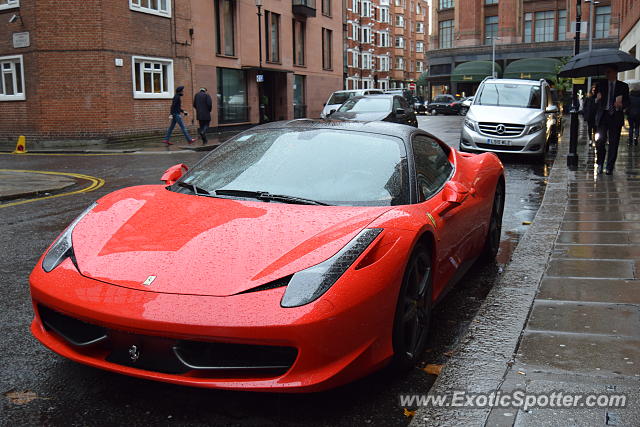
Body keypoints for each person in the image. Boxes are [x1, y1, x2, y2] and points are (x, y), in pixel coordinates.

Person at [595, 65, 630, 175]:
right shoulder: (601, 84)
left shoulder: (623, 86)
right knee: (600, 141)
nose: (607, 74)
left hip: (615, 116)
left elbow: (628, 102)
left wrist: (621, 105)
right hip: (603, 116)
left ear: (615, 73)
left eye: (609, 72)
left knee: (614, 143)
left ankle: (609, 166)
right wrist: (597, 98)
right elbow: (593, 99)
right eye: (606, 72)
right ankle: (600, 163)